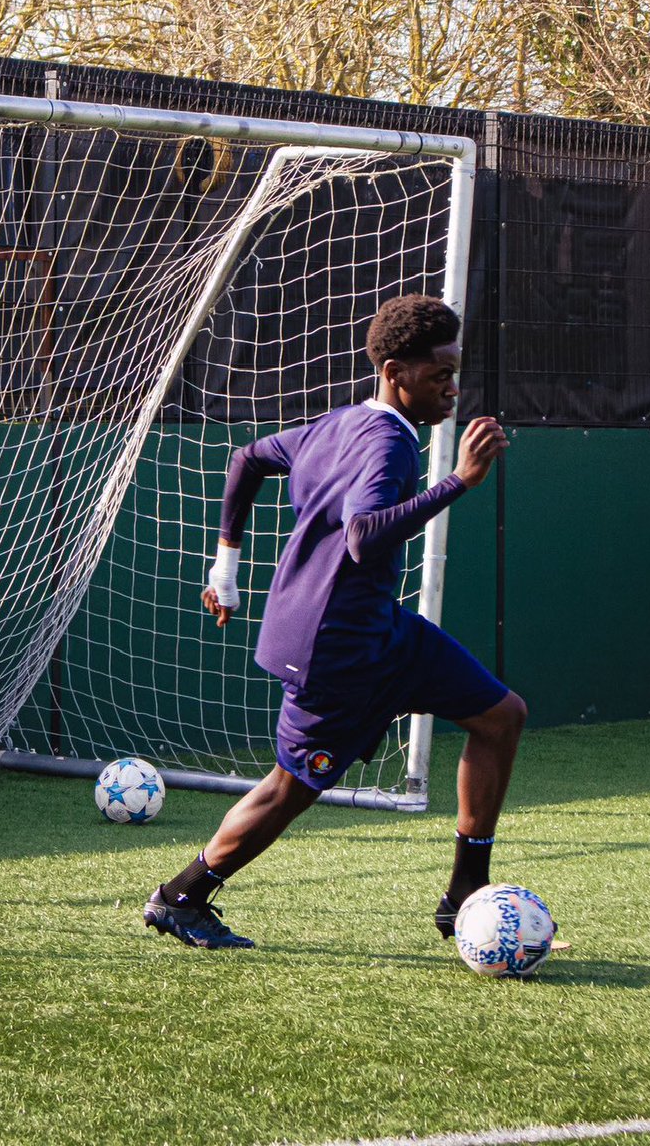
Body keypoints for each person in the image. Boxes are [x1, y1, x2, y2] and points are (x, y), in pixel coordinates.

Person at [144, 294, 527, 949]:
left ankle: (465, 890)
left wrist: (225, 571)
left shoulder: (340, 423)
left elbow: (247, 458)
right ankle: (182, 896)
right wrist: (459, 481)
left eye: (455, 373)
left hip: (380, 631)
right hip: (333, 649)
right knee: (291, 789)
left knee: (500, 715)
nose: (452, 389)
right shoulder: (387, 446)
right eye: (440, 375)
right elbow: (363, 536)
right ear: (395, 372)